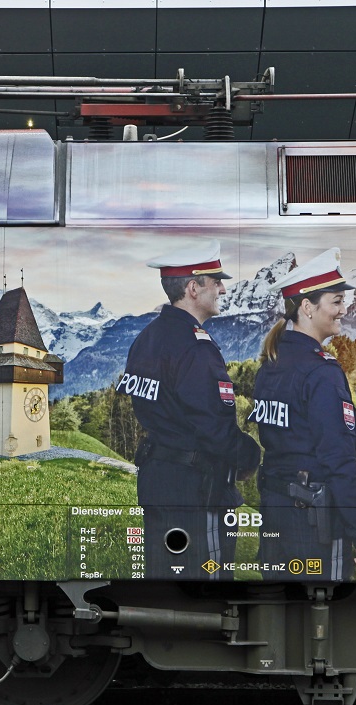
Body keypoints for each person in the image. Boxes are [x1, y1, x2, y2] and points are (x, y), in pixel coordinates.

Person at [120, 240, 261, 579]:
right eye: (216, 281)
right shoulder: (195, 347)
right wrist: (249, 456)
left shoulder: (147, 338)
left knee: (165, 585)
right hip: (198, 492)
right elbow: (214, 426)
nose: (223, 289)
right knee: (207, 588)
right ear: (193, 287)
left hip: (159, 482)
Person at [253, 248, 356, 580]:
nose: (343, 310)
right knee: (322, 616)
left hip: (276, 513)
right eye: (336, 301)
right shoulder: (321, 372)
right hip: (314, 522)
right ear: (307, 307)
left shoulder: (271, 364)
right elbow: (338, 458)